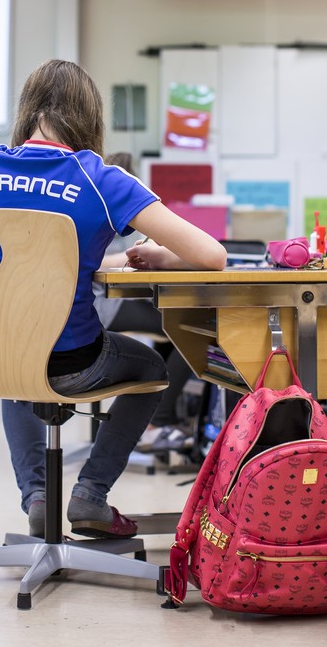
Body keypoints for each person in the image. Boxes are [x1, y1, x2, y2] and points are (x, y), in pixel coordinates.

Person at [0, 53, 227, 539]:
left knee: (15, 359)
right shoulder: (102, 178)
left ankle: (36, 497)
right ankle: (91, 494)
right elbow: (212, 256)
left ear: (29, 111)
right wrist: (160, 257)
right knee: (154, 368)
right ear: (90, 117)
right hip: (76, 360)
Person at [95, 152, 200, 453]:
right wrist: (133, 257)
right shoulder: (102, 206)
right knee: (192, 329)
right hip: (101, 305)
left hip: (108, 300)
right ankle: (156, 424)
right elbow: (93, 261)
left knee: (177, 321)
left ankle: (159, 420)